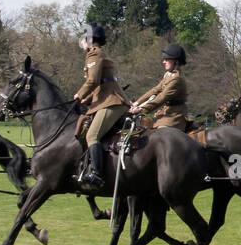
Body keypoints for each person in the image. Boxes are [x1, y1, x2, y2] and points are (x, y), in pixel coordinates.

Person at [73, 25, 130, 189]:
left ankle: (97, 174)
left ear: (89, 39)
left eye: (83, 39)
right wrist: (88, 99)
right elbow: (100, 85)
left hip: (111, 102)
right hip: (106, 99)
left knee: (92, 136)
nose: (82, 43)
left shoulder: (94, 53)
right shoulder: (96, 54)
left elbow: (93, 81)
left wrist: (79, 95)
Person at [129, 44, 189, 130]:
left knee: (159, 134)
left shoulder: (177, 80)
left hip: (174, 117)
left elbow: (161, 98)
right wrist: (137, 103)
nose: (163, 62)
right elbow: (155, 90)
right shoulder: (168, 75)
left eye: (167, 59)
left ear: (176, 61)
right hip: (164, 113)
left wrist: (140, 110)